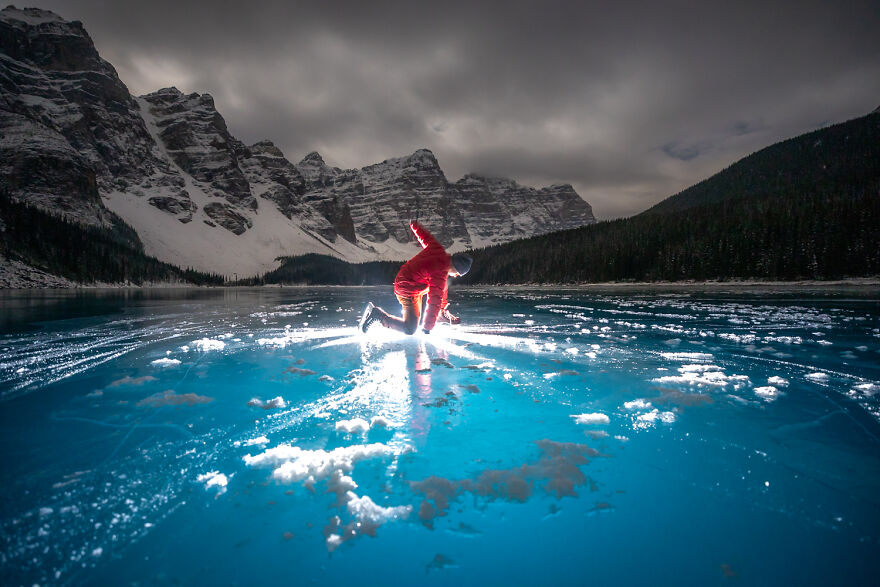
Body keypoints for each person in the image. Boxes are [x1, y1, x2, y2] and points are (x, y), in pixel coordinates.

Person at [360, 220, 472, 335]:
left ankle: (440, 313)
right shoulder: (440, 272)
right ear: (457, 268)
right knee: (410, 329)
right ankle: (378, 315)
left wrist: (414, 224)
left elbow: (424, 236)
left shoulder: (438, 249)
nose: (456, 276)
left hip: (408, 281)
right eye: (458, 273)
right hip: (407, 290)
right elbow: (434, 301)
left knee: (443, 286)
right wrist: (427, 327)